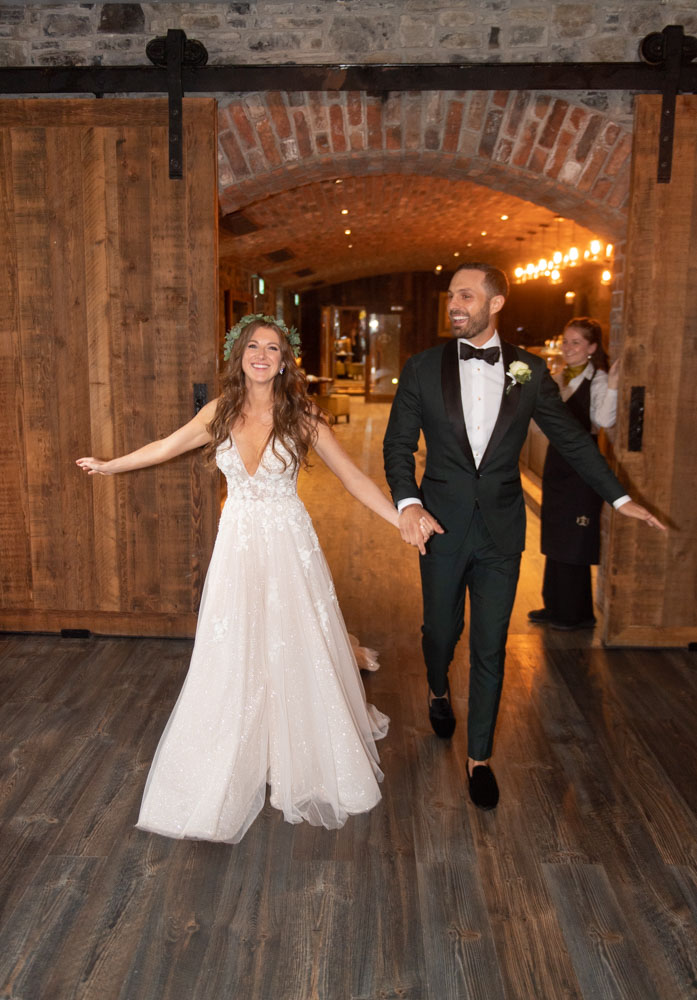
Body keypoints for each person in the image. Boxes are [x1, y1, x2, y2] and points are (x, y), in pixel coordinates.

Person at [77, 314, 431, 844]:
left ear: (285, 360)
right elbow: (165, 446)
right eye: (252, 347)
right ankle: (234, 742)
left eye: (272, 347)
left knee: (292, 638)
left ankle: (299, 742)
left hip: (289, 543)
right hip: (237, 544)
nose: (262, 355)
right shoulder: (218, 411)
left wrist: (401, 515)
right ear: (239, 355)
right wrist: (110, 465)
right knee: (234, 642)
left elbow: (353, 478)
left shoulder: (303, 415)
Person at [383, 263, 665, 812]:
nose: (454, 305)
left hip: (502, 533)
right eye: (450, 296)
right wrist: (409, 503)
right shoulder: (421, 368)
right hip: (439, 528)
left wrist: (621, 497)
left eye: (465, 295)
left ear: (496, 302)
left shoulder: (528, 370)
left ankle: (479, 759)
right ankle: (438, 689)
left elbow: (574, 441)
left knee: (490, 646)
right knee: (440, 632)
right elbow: (398, 447)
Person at [529, 317, 619, 630]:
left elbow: (605, 421)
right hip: (558, 464)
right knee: (556, 533)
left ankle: (574, 613)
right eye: (566, 342)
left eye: (576, 342)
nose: (568, 348)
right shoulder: (556, 377)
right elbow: (541, 423)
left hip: (583, 468)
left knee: (575, 537)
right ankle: (554, 605)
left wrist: (615, 385)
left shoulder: (598, 380)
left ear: (592, 348)